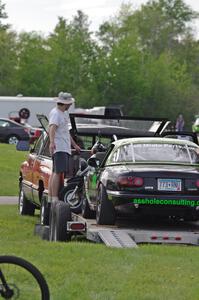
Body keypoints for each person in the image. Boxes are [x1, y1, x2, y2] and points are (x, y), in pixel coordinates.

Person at [48, 91, 81, 203]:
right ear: (64, 103)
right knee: (58, 172)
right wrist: (52, 143)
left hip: (64, 146)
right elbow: (52, 128)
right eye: (69, 103)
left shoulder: (63, 113)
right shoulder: (56, 113)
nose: (70, 105)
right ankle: (54, 197)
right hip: (59, 147)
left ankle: (51, 196)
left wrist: (74, 145)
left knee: (56, 172)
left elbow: (66, 132)